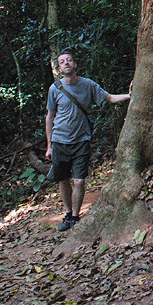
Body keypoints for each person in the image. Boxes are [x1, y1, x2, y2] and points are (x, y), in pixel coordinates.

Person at [45, 49, 132, 231]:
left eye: (69, 60)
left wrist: (130, 96)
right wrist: (49, 145)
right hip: (60, 140)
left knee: (79, 180)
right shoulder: (55, 89)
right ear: (59, 68)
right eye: (62, 61)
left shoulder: (88, 85)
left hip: (81, 140)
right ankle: (67, 214)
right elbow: (50, 117)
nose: (66, 63)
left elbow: (109, 98)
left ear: (75, 64)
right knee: (63, 179)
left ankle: (75, 217)